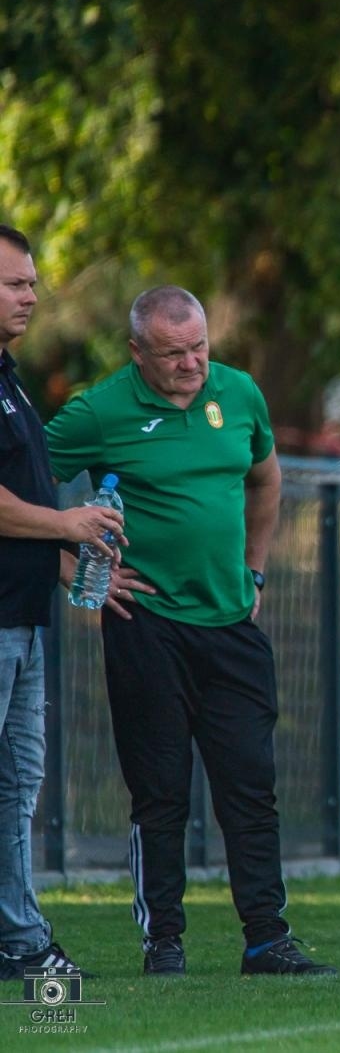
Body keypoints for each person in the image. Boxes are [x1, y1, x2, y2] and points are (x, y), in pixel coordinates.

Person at [45, 285, 334, 977]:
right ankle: (164, 940)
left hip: (232, 623)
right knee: (160, 788)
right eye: (173, 353)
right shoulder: (97, 410)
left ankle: (267, 938)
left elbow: (266, 480)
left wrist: (255, 571)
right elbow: (19, 492)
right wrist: (71, 570)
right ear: (137, 351)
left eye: (199, 347)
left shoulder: (239, 394)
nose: (190, 364)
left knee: (251, 783)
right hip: (146, 626)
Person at [0, 225, 126, 981]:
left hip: (25, 618)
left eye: (32, 283)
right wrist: (65, 523)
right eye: (16, 284)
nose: (32, 296)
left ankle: (17, 936)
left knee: (18, 786)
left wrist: (74, 555)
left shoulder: (10, 376)